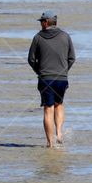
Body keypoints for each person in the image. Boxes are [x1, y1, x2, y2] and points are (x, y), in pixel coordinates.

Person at [27, 10, 76, 148]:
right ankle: (59, 133)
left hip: (45, 78)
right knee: (59, 104)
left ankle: (50, 143)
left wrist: (40, 71)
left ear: (47, 22)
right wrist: (64, 71)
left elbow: (31, 59)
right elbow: (72, 58)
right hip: (61, 78)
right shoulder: (65, 36)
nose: (41, 24)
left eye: (42, 21)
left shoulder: (38, 38)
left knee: (48, 109)